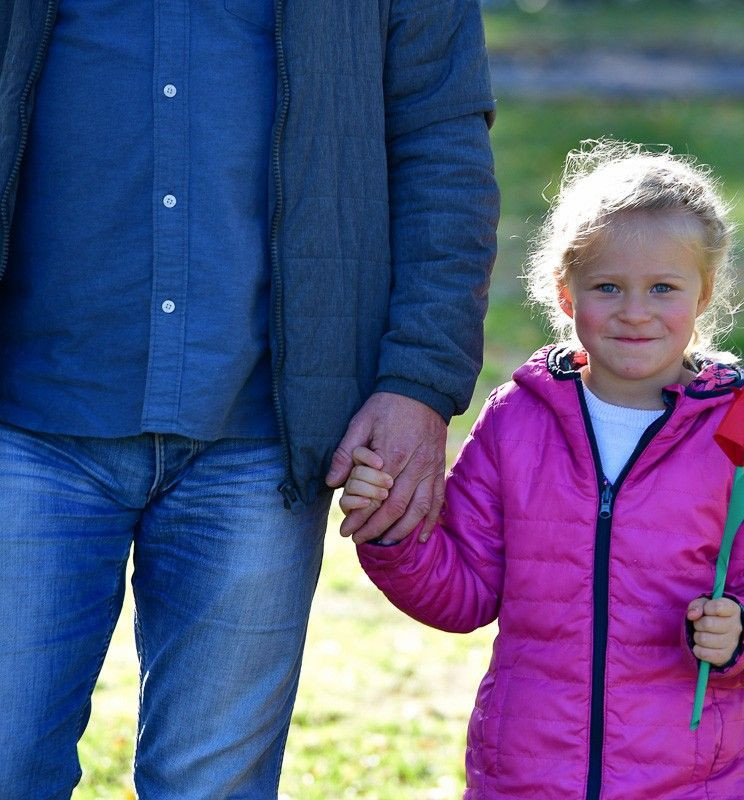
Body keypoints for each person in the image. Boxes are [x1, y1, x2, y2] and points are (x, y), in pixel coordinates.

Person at [0, 1, 498, 797]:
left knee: (213, 787)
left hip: (263, 434)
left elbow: (442, 142)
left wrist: (418, 381)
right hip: (27, 422)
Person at [346, 141, 744, 799]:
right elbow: (461, 594)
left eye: (663, 288)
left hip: (693, 779)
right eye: (608, 287)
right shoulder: (518, 419)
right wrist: (392, 531)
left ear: (703, 294)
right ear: (566, 295)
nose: (635, 311)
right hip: (530, 772)